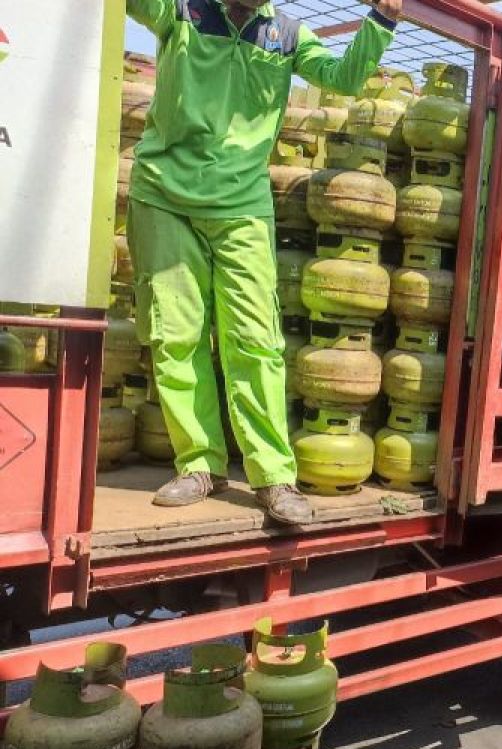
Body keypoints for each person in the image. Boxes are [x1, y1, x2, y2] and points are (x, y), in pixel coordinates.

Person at [126, 0, 402, 522]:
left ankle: (273, 477)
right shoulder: (179, 11)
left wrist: (382, 20)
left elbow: (343, 77)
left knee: (256, 341)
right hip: (163, 194)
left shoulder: (286, 35)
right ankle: (199, 464)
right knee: (175, 334)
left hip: (242, 205)